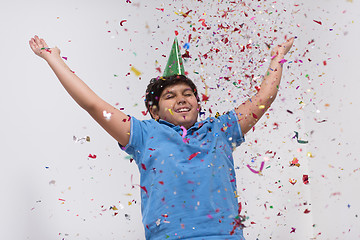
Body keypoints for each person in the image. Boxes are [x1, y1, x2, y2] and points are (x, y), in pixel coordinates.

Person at [29, 35, 294, 240]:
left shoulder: (220, 130)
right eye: (170, 96)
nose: (181, 99)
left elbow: (263, 99)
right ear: (153, 111)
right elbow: (94, 106)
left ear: (198, 103)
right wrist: (54, 59)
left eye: (187, 93)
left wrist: (277, 58)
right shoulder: (144, 134)